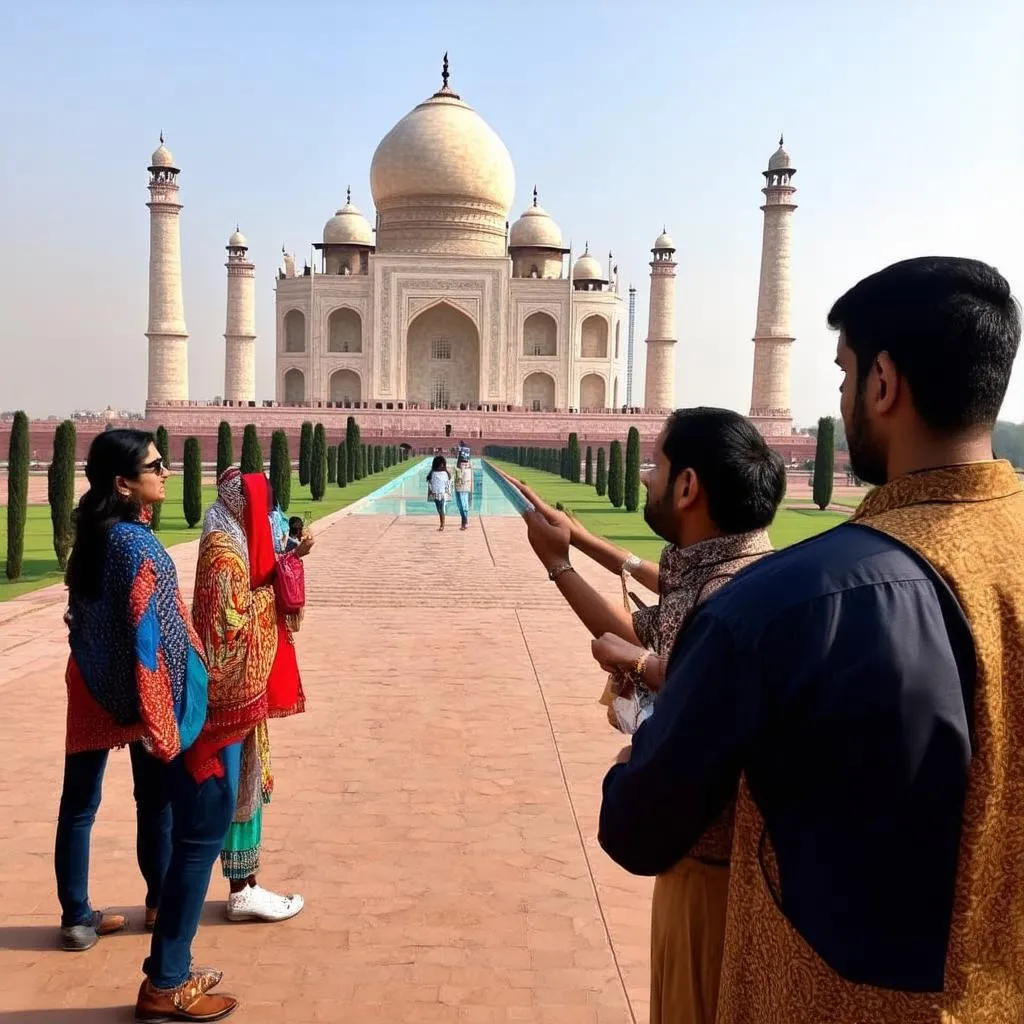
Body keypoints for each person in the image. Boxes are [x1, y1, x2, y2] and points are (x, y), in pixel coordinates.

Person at [596, 256, 1024, 1023]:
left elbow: (638, 827)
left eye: (844, 376)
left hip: (831, 997)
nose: (841, 399)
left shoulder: (793, 602)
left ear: (883, 383)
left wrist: (629, 761)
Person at [513, 409, 785, 1024]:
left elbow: (673, 653)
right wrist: (576, 543)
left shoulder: (722, 600)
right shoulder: (744, 568)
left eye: (656, 465)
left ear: (688, 487)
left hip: (710, 874)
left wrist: (563, 571)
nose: (644, 478)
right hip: (738, 868)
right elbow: (667, 605)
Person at [56, 429, 238, 1021]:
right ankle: (164, 945)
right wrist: (167, 723)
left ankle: (85, 917)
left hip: (96, 684)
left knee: (86, 805)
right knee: (175, 819)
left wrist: (108, 681)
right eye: (155, 465)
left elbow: (82, 617)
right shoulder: (137, 546)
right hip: (148, 700)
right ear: (124, 482)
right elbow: (154, 639)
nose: (166, 471)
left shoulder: (95, 536)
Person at [188, 469, 312, 925]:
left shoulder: (229, 537)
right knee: (235, 790)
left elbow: (251, 588)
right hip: (230, 694)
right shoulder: (224, 555)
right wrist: (271, 597)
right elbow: (228, 626)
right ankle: (242, 889)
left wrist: (288, 561)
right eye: (263, 506)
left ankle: (244, 883)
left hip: (236, 692)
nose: (268, 515)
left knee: (240, 787)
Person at [426, 455, 451, 531]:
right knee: (439, 509)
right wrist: (431, 491)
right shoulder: (433, 473)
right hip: (435, 494)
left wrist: (448, 491)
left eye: (443, 463)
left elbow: (447, 483)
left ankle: (442, 525)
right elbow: (430, 483)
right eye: (440, 463)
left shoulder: (445, 473)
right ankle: (442, 522)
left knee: (441, 508)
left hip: (442, 493)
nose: (442, 465)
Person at [453, 457, 474, 530]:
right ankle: (465, 520)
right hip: (458, 489)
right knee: (460, 504)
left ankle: (464, 521)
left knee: (463, 504)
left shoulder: (467, 471)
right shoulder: (458, 469)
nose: (463, 465)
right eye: (462, 463)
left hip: (464, 489)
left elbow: (460, 478)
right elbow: (455, 479)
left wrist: (461, 470)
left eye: (465, 463)